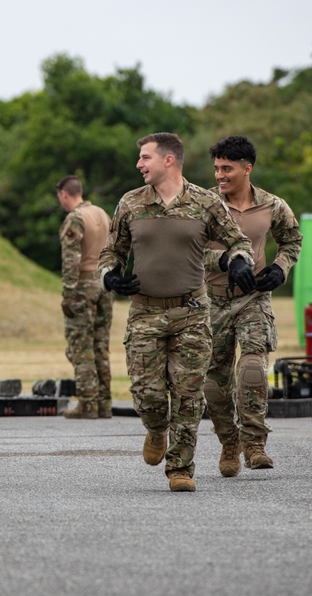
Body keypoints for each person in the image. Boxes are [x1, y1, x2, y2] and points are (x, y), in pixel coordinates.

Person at [98, 132, 256, 492]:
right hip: (145, 313)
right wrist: (110, 277)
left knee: (188, 394)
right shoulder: (131, 203)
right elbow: (111, 252)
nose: (139, 164)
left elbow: (237, 242)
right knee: (148, 394)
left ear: (168, 160)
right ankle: (155, 428)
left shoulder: (205, 203)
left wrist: (239, 262)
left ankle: (180, 468)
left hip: (191, 312)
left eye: (145, 158)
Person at [202, 136, 303, 477]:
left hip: (253, 298)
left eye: (227, 168)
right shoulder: (203, 205)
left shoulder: (273, 206)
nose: (220, 175)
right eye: (216, 168)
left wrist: (280, 267)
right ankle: (229, 443)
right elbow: (190, 251)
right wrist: (226, 260)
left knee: (253, 369)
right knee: (214, 382)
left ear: (247, 169)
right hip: (211, 301)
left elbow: (292, 239)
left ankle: (254, 443)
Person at [55, 175, 113, 420]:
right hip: (104, 283)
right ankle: (104, 402)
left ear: (64, 194)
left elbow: (71, 260)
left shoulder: (75, 218)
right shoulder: (101, 213)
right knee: (101, 345)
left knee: (81, 346)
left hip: (82, 286)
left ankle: (88, 404)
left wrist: (68, 294)